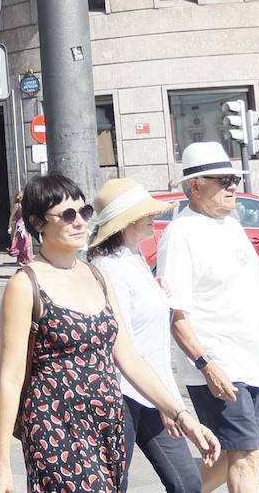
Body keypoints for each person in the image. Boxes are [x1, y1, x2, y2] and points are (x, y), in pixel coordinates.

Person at [0, 174, 219, 493]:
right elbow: (11, 379)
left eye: (83, 212)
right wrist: (1, 464)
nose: (79, 222)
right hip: (55, 426)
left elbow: (130, 358)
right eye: (67, 215)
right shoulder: (24, 285)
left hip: (106, 423)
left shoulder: (97, 276)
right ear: (38, 223)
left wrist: (183, 416)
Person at [159, 142, 259, 493]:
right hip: (219, 365)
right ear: (196, 186)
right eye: (224, 180)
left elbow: (246, 294)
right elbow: (175, 313)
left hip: (251, 360)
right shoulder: (181, 234)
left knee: (232, 455)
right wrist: (206, 365)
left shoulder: (231, 224)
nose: (233, 187)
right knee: (247, 457)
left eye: (235, 179)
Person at [88, 178, 202, 493]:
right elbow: (122, 346)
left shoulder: (135, 257)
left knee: (188, 483)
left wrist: (168, 399)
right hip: (120, 393)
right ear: (129, 220)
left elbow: (150, 339)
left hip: (152, 390)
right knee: (112, 485)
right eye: (146, 213)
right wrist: (167, 403)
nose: (153, 217)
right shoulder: (108, 267)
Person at [7, 191, 33, 265]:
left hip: (25, 225)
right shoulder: (17, 206)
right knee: (22, 242)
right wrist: (9, 227)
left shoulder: (25, 206)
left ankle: (23, 260)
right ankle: (23, 260)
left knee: (26, 243)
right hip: (19, 226)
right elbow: (11, 217)